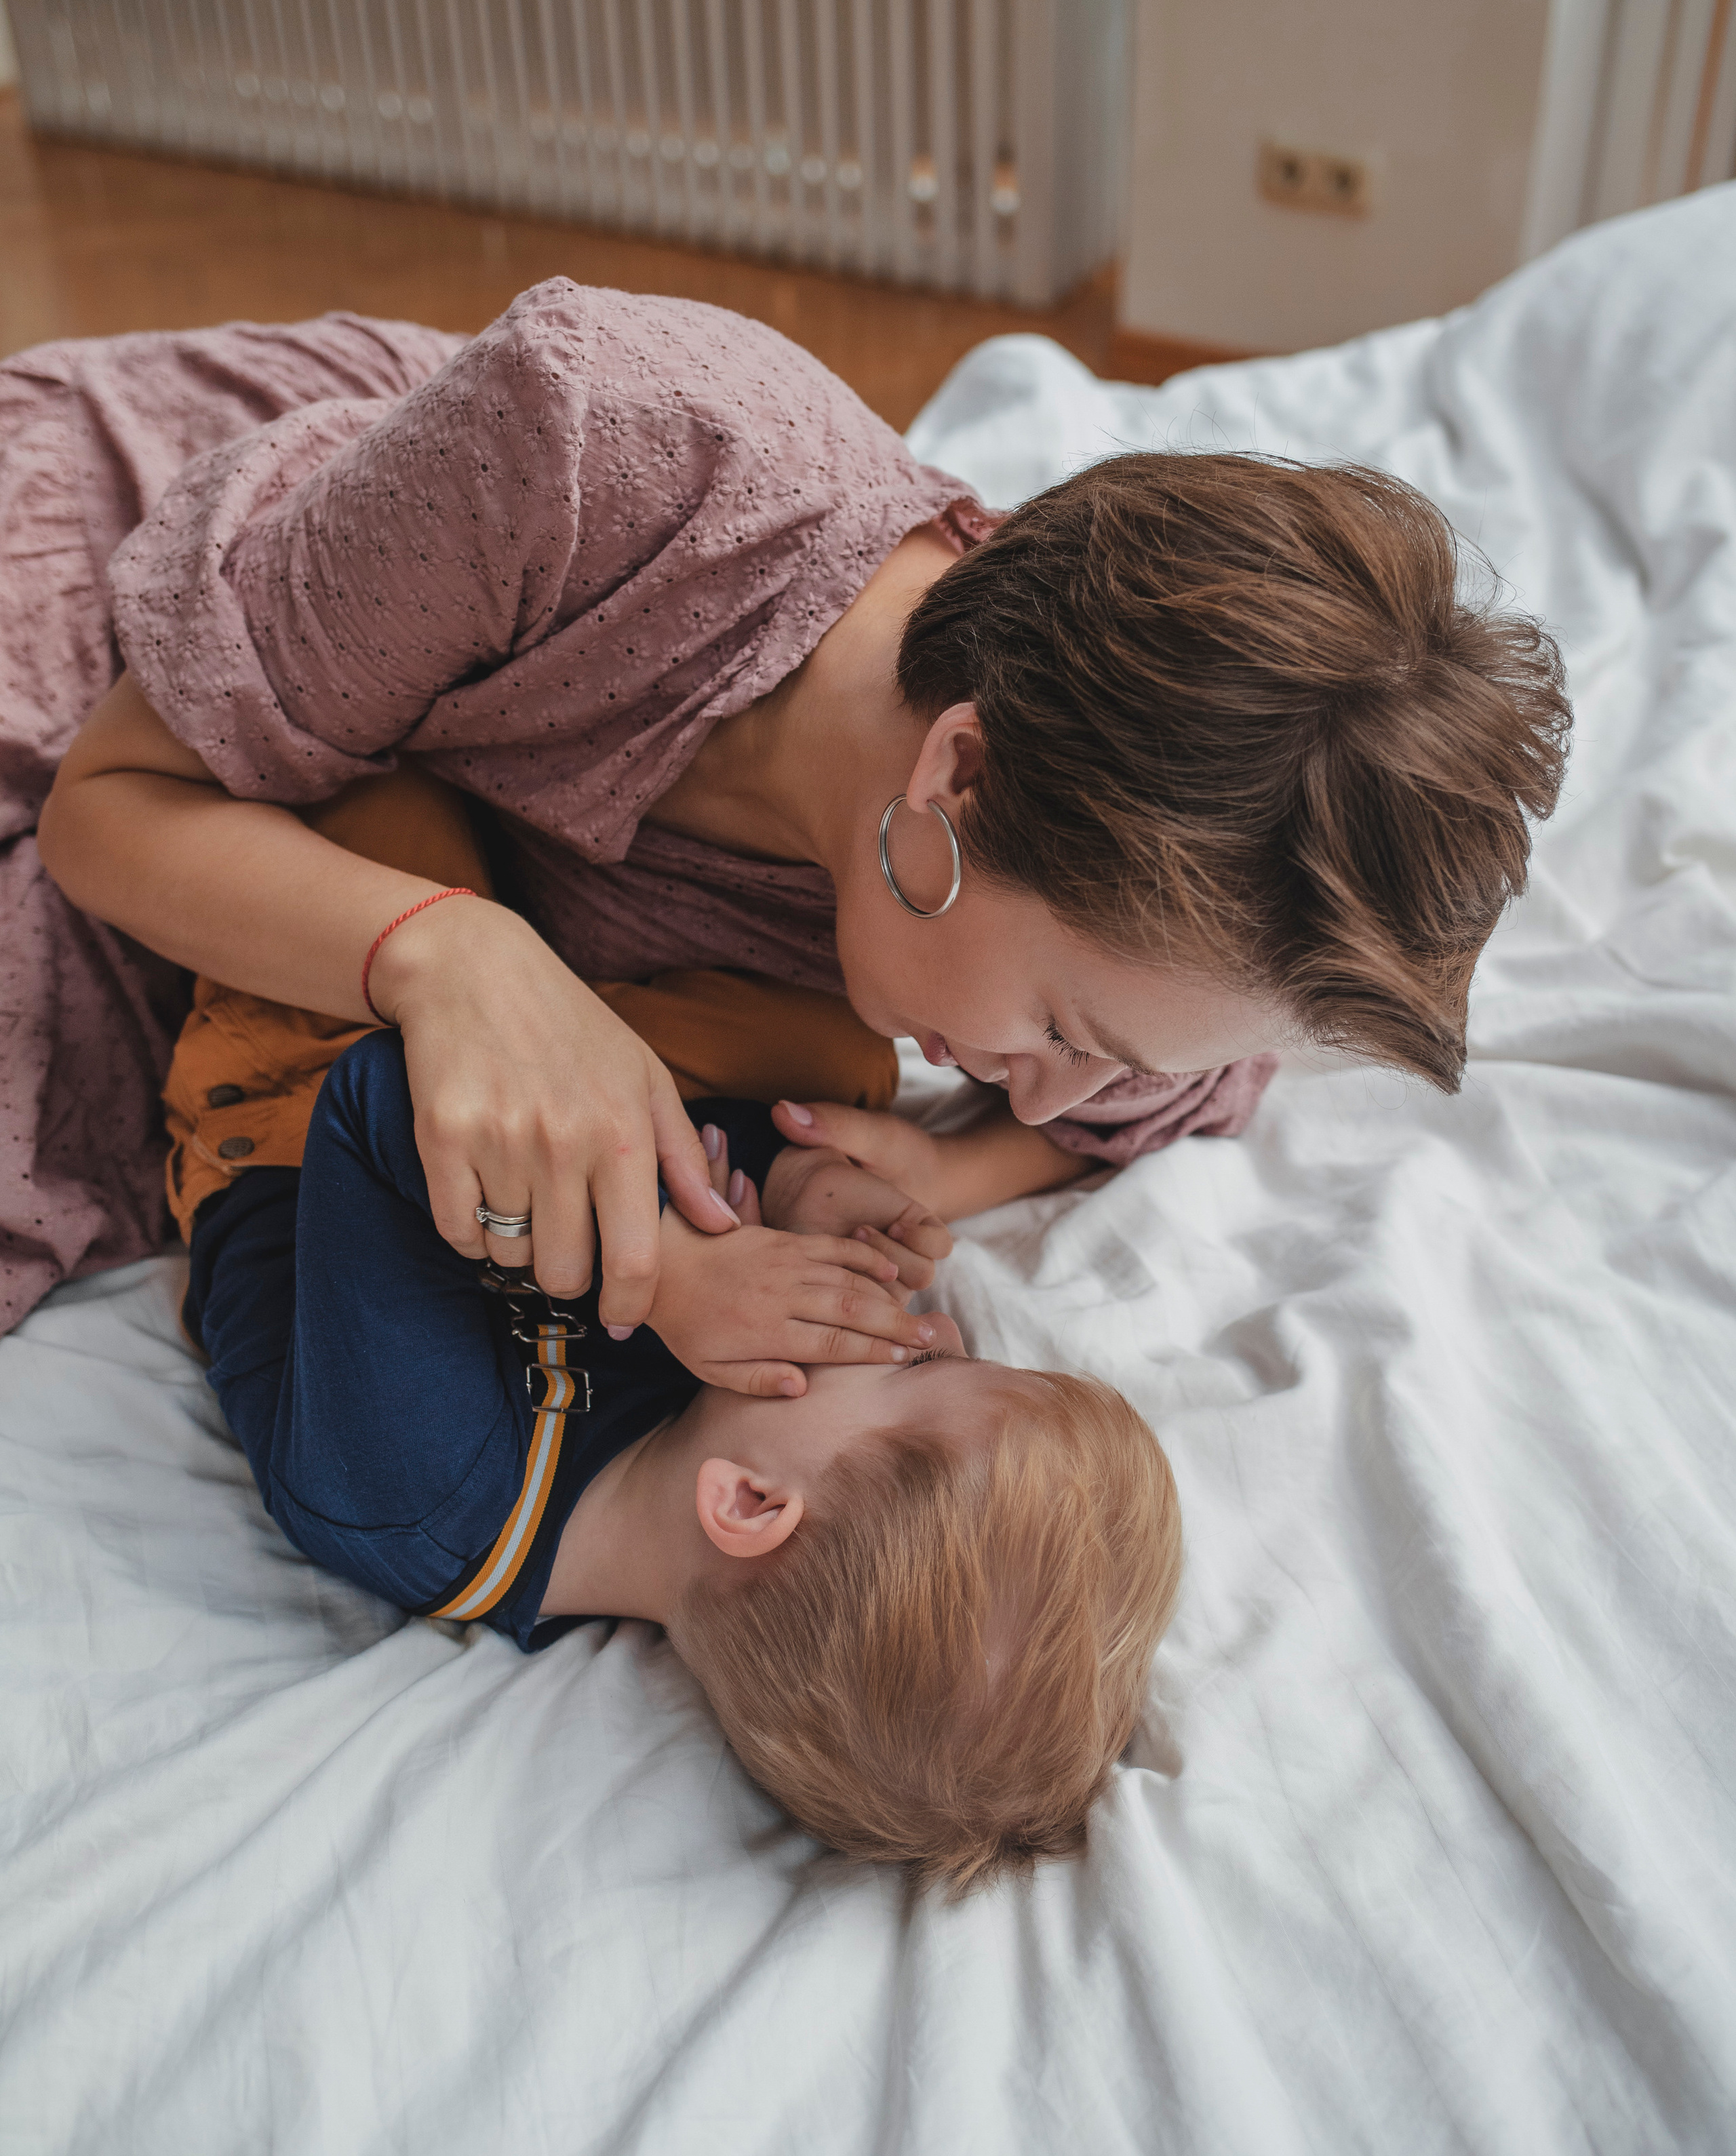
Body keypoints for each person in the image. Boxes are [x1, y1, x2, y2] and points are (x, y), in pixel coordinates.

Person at [14, 281, 1571, 1338]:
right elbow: (117, 804)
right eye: (1063, 1032)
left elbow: (1178, 1087)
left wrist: (941, 1172)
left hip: (264, 880)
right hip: (120, 611)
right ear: (955, 776)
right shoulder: (612, 445)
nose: (1040, 1098)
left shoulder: (1136, 902)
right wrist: (461, 964)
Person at [187, 1027, 1181, 1893]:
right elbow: (701, 1150)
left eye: (917, 1372)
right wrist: (793, 1186)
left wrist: (661, 1266)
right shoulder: (711, 1419)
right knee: (831, 1065)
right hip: (528, 1088)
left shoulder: (409, 1488)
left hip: (287, 1107)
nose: (934, 1324)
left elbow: (394, 1088)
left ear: (749, 1504)